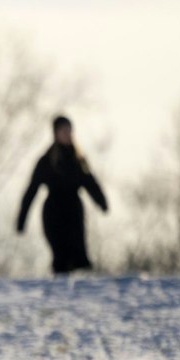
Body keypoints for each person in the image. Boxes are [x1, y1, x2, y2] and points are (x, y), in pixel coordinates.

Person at [16, 115, 108, 274]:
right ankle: (58, 296)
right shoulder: (46, 161)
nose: (68, 134)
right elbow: (32, 189)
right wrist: (22, 219)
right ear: (56, 133)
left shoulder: (79, 160)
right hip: (53, 213)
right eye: (64, 131)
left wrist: (101, 202)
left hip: (74, 212)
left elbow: (90, 182)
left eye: (70, 131)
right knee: (61, 257)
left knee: (79, 256)